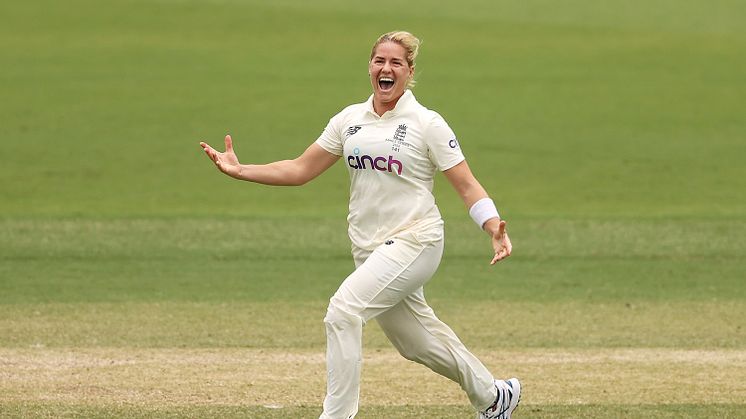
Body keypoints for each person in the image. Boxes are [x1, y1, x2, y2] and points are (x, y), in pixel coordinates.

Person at [200, 31, 521, 419]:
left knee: (343, 311)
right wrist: (241, 170)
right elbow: (300, 169)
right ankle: (494, 396)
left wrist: (491, 226)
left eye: (396, 63)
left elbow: (466, 184)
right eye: (379, 61)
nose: (386, 69)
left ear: (409, 71)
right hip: (369, 248)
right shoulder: (349, 119)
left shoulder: (427, 123)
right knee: (415, 342)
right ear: (370, 67)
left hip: (416, 239)